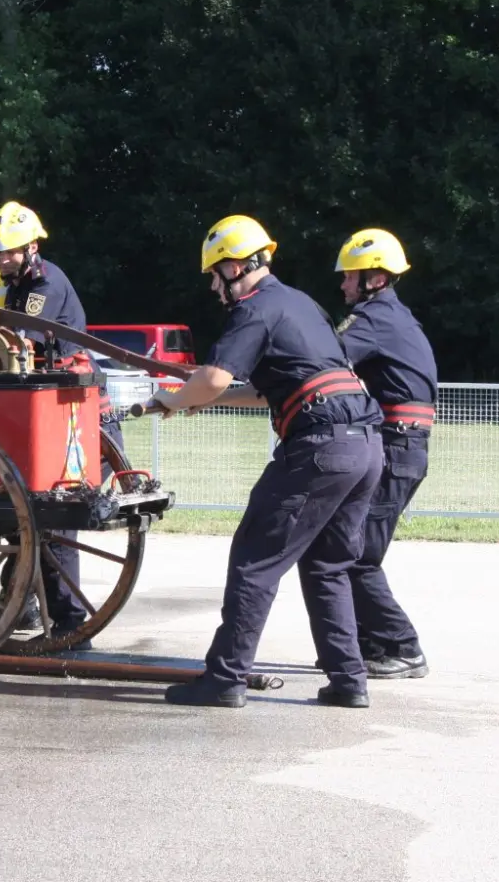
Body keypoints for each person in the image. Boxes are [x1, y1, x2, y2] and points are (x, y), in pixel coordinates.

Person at [150, 214, 384, 708]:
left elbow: (213, 377)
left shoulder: (253, 309)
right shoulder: (300, 303)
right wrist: (201, 399)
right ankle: (349, 681)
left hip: (319, 448)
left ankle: (224, 679)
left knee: (254, 560)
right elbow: (270, 390)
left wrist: (173, 398)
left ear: (235, 267)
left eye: (215, 274)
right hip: (365, 446)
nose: (213, 287)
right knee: (327, 566)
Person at [0, 201, 113, 647]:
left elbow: (18, 342)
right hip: (54, 407)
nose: (2, 259)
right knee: (25, 514)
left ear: (31, 247)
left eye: (9, 251)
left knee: (54, 515)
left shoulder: (45, 284)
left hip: (73, 414)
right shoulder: (14, 284)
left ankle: (71, 621)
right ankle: (19, 601)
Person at [334, 228, 436, 678]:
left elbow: (325, 358)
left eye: (349, 276)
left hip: (398, 445)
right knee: (351, 547)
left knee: (356, 554)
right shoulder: (394, 316)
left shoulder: (373, 318)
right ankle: (371, 644)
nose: (343, 284)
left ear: (374, 279)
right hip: (401, 444)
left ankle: (403, 647)